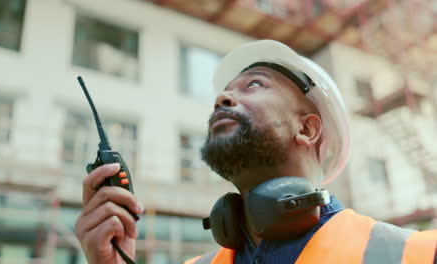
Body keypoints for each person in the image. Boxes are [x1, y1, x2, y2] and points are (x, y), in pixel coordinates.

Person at [75, 40, 437, 264]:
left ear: (307, 129)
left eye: (255, 85)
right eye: (224, 93)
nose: (222, 98)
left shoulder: (416, 254)